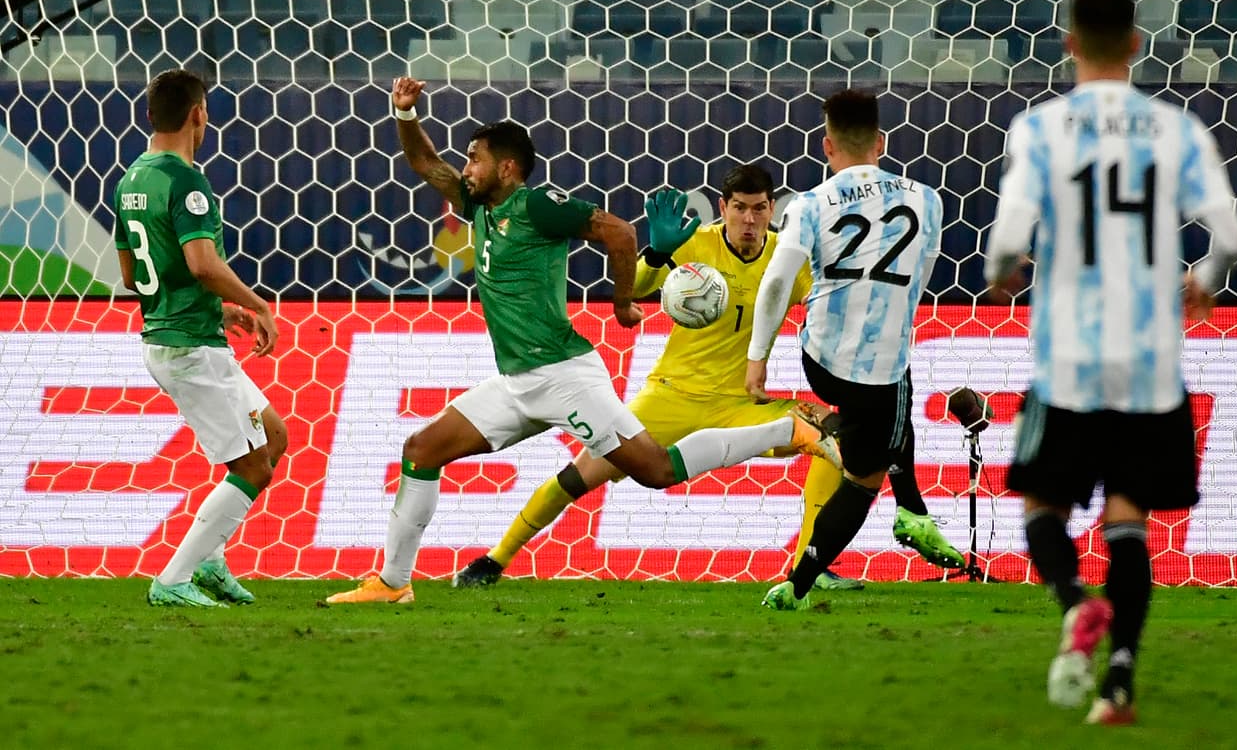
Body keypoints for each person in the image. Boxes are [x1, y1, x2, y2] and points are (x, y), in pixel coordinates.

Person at [326, 79, 842, 604]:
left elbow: (619, 232)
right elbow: (423, 163)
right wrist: (404, 113)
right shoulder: (477, 204)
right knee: (422, 450)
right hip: (517, 382)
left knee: (657, 470)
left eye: (475, 159)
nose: (466, 168)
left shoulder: (536, 206)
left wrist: (622, 303)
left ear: (507, 168)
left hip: (564, 377)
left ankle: (789, 431)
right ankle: (393, 583)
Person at [451, 165, 963, 590]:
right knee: (579, 476)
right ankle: (496, 558)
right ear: (723, 207)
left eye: (758, 208)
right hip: (669, 397)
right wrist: (657, 253)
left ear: (772, 210)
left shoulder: (788, 257)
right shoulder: (694, 244)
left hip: (741, 402)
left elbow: (825, 300)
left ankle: (811, 565)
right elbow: (639, 290)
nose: (748, 219)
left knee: (839, 440)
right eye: (739, 207)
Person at [986, 0, 1237, 726]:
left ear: (1069, 43)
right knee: (1128, 518)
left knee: (1043, 506)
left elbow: (1009, 238)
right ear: (1136, 43)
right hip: (1150, 364)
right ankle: (1119, 684)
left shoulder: (1042, 128)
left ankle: (1075, 605)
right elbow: (1231, 237)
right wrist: (1204, 279)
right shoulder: (1176, 128)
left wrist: (1004, 271)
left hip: (1068, 360)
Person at [746, 88, 944, 612]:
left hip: (820, 360)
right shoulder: (927, 200)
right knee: (863, 477)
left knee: (876, 425)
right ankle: (898, 519)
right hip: (878, 372)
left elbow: (776, 283)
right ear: (881, 142)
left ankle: (899, 498)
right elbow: (918, 281)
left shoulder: (810, 204)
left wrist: (758, 359)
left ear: (827, 146)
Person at [112, 69, 288, 607]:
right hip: (189, 346)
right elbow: (202, 264)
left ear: (150, 116)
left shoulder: (131, 179)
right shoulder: (186, 181)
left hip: (177, 334)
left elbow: (131, 275)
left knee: (273, 437)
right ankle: (172, 580)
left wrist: (219, 308)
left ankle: (211, 560)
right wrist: (258, 305)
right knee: (253, 467)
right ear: (199, 114)